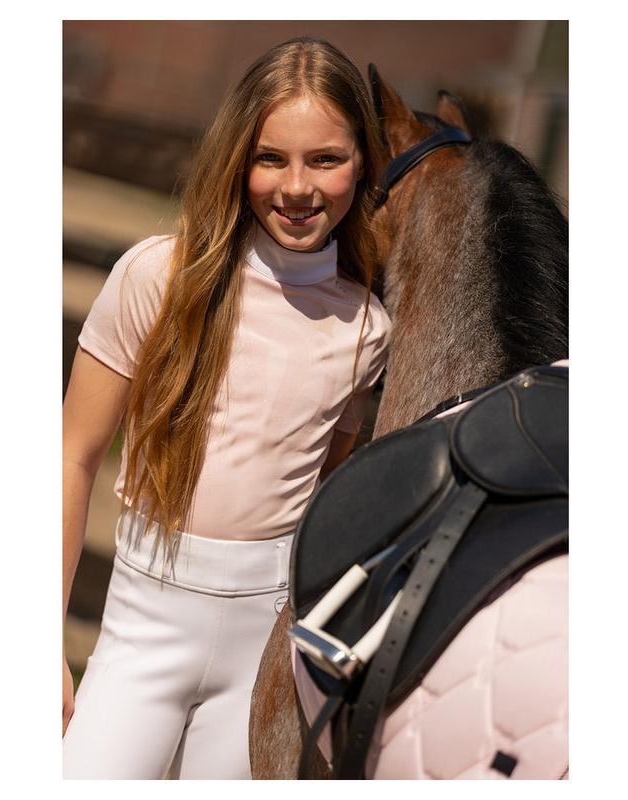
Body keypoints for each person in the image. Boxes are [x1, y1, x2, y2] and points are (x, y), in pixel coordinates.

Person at [62, 37, 391, 779]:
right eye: (271, 158)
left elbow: (322, 499)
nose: (297, 187)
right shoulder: (157, 276)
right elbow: (71, 455)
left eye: (326, 159)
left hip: (261, 650)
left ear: (363, 163)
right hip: (142, 632)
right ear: (239, 159)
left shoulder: (368, 329)